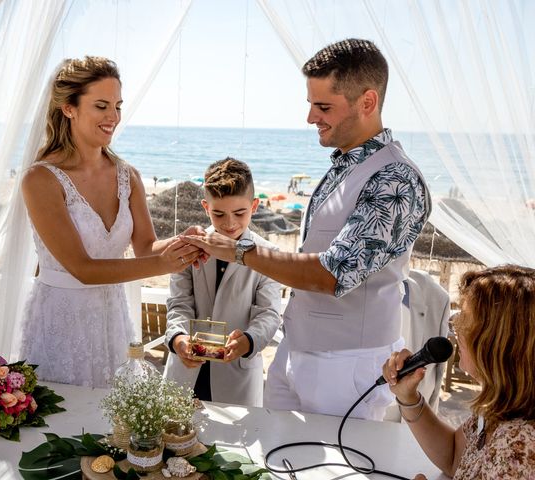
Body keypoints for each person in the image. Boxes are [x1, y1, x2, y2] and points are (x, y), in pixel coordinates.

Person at [180, 38, 431, 419]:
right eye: (311, 105)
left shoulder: (395, 179)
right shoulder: (343, 166)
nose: (311, 117)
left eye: (323, 106)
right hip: (295, 355)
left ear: (367, 102)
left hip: (347, 366)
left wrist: (237, 251)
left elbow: (332, 273)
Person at [20, 56, 202, 388]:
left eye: (117, 106)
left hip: (113, 320)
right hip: (62, 322)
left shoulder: (127, 176)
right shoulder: (41, 180)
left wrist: (181, 244)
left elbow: (147, 246)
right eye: (102, 106)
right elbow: (82, 268)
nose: (113, 117)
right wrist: (162, 264)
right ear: (69, 108)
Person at [381, 265, 535, 479]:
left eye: (466, 319)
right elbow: (456, 456)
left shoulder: (520, 447)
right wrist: (408, 397)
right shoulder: (500, 408)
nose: (455, 324)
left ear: (500, 343)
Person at [163, 158, 281, 407]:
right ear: (206, 207)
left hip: (236, 374)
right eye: (219, 214)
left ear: (255, 205)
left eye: (239, 213)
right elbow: (179, 303)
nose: (229, 223)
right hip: (186, 371)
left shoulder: (269, 253)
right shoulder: (189, 246)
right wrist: (178, 339)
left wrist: (248, 341)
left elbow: (269, 314)